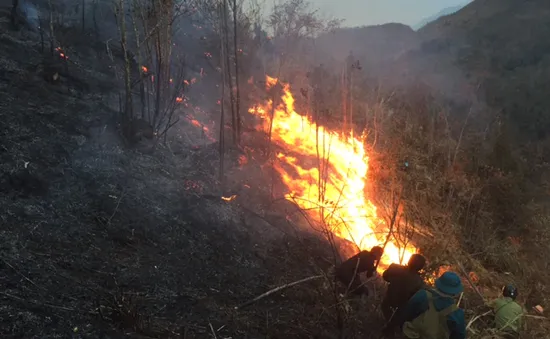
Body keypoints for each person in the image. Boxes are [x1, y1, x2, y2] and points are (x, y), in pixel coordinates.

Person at [387, 271, 466, 339]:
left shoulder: (422, 295)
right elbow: (459, 336)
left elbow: (405, 314)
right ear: (455, 293)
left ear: (438, 284)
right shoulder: (458, 314)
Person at [381, 254, 427, 329]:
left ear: (409, 261)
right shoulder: (419, 282)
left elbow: (385, 276)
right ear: (420, 268)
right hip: (400, 311)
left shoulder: (395, 267)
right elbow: (414, 298)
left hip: (386, 303)